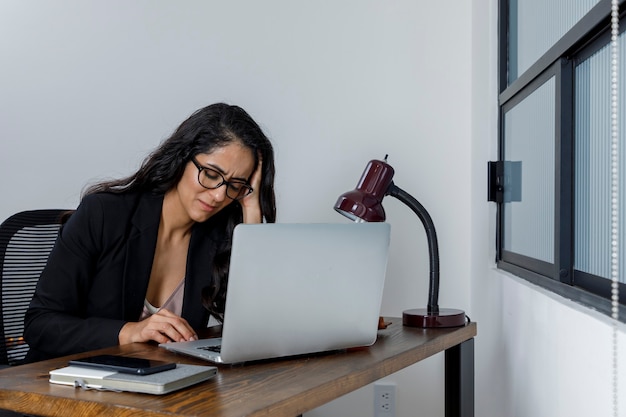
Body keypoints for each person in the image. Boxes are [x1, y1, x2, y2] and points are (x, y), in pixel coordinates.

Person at [23, 103, 276, 362]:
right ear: (182, 157)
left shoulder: (216, 238)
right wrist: (129, 331)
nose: (219, 195)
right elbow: (40, 324)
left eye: (235, 185)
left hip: (151, 386)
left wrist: (251, 209)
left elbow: (253, 332)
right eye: (211, 174)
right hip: (61, 384)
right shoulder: (103, 214)